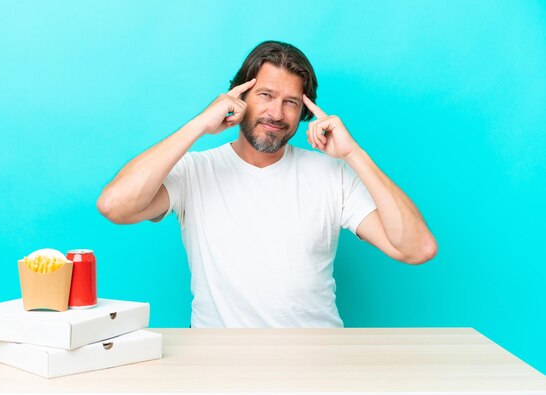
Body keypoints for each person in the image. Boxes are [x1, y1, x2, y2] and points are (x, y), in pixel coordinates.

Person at [97, 40, 437, 328]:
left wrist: (353, 154)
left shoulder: (331, 176)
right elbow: (114, 205)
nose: (276, 113)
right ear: (240, 97)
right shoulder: (195, 172)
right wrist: (199, 124)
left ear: (303, 111)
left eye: (290, 102)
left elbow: (417, 249)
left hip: (317, 367)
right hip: (220, 370)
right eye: (266, 95)